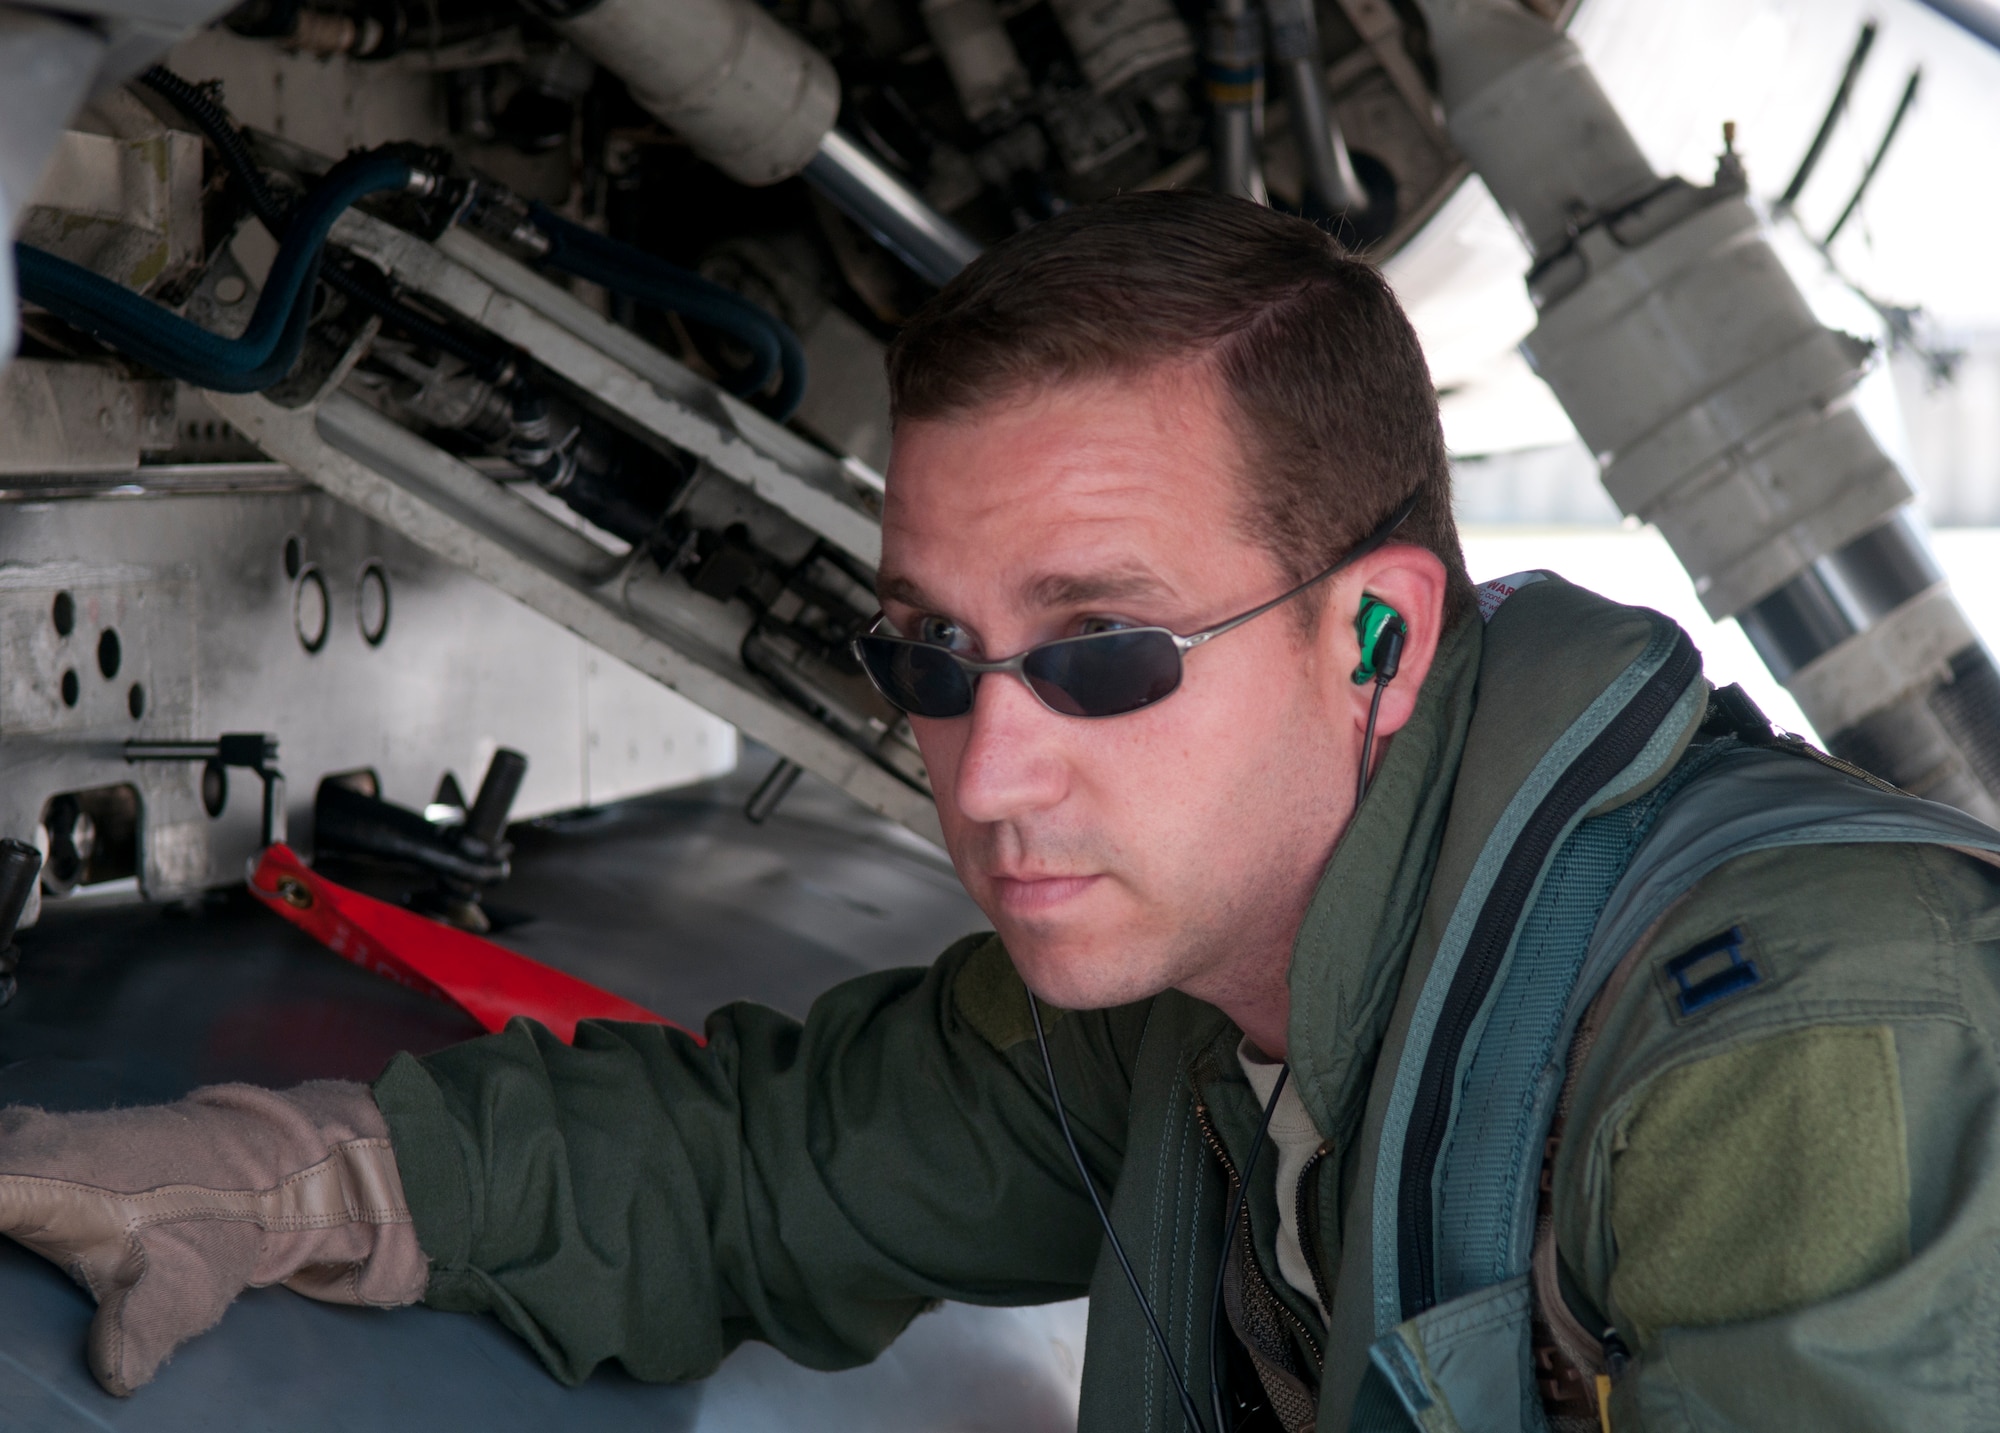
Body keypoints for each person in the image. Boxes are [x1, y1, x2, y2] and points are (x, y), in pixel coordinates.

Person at [4, 190, 1999, 1433]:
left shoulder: (1809, 1064)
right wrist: (274, 1179)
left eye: (1105, 655)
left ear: (1374, 644)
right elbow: (760, 1162)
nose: (987, 774)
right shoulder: (1198, 974)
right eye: (930, 659)